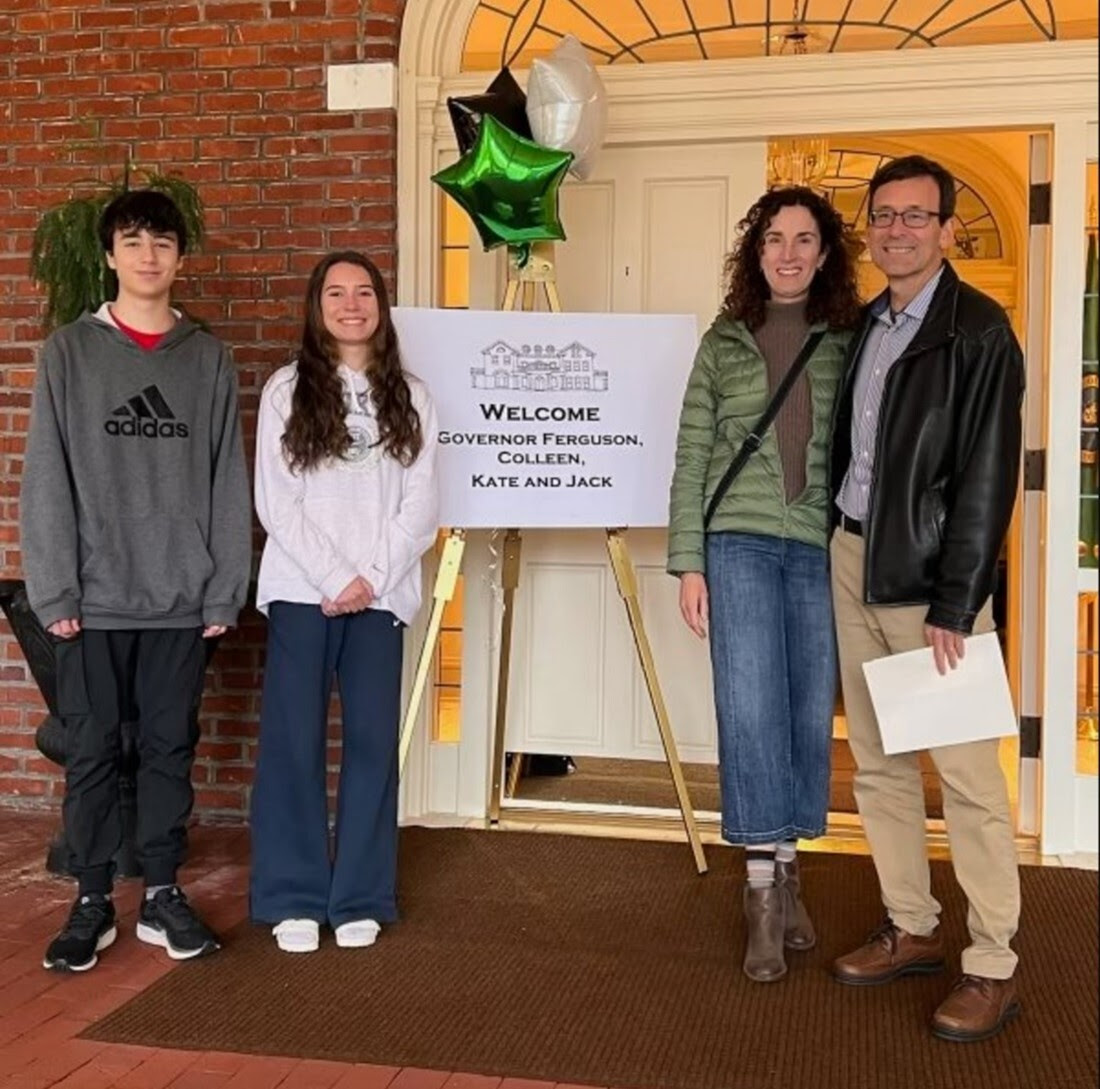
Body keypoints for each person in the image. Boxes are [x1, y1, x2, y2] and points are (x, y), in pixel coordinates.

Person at [21, 189, 252, 972]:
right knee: (89, 753)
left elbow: (230, 483)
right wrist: (54, 590)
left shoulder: (209, 360)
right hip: (90, 601)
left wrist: (224, 588)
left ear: (180, 258)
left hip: (181, 600)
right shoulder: (68, 354)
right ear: (109, 255)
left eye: (162, 241)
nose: (148, 254)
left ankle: (159, 891)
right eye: (132, 240)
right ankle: (91, 897)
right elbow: (44, 479)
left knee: (167, 748)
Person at [828, 155, 1025, 1042]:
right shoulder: (866, 323)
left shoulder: (979, 330)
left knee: (971, 781)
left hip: (931, 583)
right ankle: (912, 924)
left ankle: (992, 962)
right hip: (852, 560)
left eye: (917, 216)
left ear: (948, 229)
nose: (898, 229)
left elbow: (989, 474)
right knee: (876, 764)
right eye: (885, 216)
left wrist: (960, 597)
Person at [668, 187, 861, 982]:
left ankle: (788, 869)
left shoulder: (850, 339)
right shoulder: (723, 341)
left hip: (815, 545)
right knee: (749, 709)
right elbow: (690, 454)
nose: (787, 252)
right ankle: (758, 893)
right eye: (773, 238)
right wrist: (688, 559)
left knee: (804, 711)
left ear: (824, 254)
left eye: (804, 239)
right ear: (755, 252)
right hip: (738, 543)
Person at [249, 251, 439, 954]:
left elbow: (422, 503)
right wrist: (335, 577)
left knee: (369, 746)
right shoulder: (285, 390)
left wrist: (372, 574)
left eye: (364, 292)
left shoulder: (411, 395)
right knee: (294, 745)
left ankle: (359, 892)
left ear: (381, 307)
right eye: (336, 292)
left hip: (381, 596)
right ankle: (294, 894)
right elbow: (277, 500)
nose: (351, 303)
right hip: (304, 592)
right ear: (316, 305)